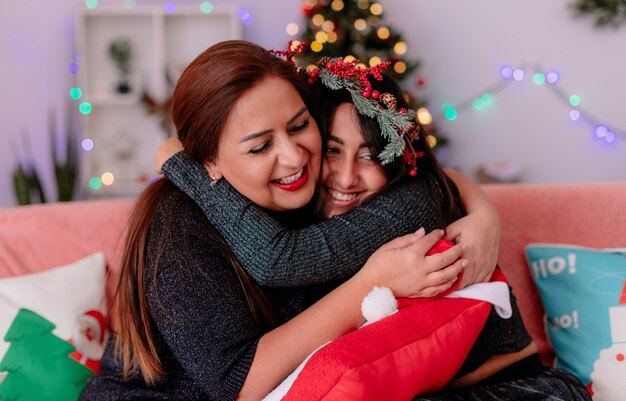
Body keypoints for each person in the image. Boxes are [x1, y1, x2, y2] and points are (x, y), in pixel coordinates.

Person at [155, 52, 591, 399]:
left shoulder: (405, 204)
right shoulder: (284, 209)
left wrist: (481, 214)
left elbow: (278, 261)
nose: (344, 178)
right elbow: (277, 261)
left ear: (398, 160)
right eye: (331, 150)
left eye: (369, 155)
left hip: (517, 387)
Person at [79, 40, 475, 401]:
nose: (294, 156)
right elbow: (240, 383)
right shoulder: (178, 224)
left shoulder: (323, 191)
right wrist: (371, 283)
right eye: (261, 146)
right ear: (207, 164)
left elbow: (427, 187)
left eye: (300, 126)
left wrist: (482, 215)